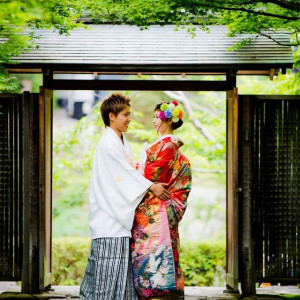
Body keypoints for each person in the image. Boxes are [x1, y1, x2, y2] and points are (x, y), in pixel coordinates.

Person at [79, 93, 170, 300]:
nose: (129, 118)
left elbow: (130, 172)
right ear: (112, 116)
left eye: (129, 114)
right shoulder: (108, 145)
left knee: (117, 279)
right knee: (105, 279)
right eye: (125, 114)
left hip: (118, 222)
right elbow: (125, 176)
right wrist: (150, 186)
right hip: (108, 221)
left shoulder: (120, 142)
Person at [131, 101, 192, 299]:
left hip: (159, 209)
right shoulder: (161, 144)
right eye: (154, 117)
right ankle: (154, 290)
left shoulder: (169, 144)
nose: (154, 121)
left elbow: (152, 173)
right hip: (154, 205)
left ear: (168, 119)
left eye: (157, 117)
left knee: (154, 249)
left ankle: (159, 291)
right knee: (151, 250)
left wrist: (136, 165)